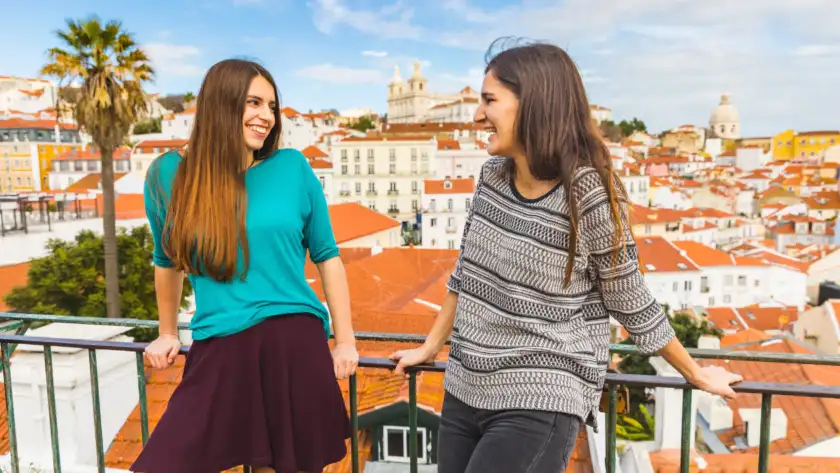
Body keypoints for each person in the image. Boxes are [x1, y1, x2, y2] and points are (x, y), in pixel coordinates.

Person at [389, 38, 743, 473]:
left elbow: (629, 298)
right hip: (466, 384)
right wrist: (429, 347)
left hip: (539, 396)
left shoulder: (587, 193)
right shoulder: (492, 177)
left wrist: (695, 373)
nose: (477, 115)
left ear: (533, 105)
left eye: (489, 101)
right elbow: (467, 275)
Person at [131, 58, 357, 473]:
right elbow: (166, 262)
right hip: (219, 345)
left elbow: (328, 257)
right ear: (221, 103)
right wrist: (166, 332)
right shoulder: (168, 174)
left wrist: (345, 341)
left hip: (294, 343)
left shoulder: (292, 168)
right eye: (253, 102)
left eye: (272, 106)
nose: (266, 117)